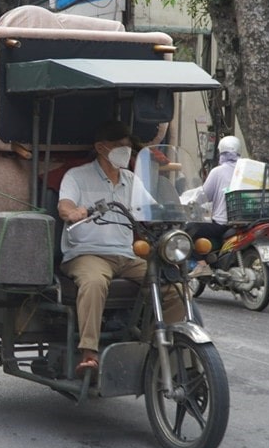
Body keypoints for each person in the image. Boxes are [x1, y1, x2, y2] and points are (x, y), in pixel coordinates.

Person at [57, 120, 185, 378]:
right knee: (94, 283)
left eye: (128, 147)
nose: (125, 152)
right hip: (87, 253)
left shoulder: (130, 179)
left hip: (127, 256)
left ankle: (156, 348)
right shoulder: (77, 176)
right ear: (101, 148)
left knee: (175, 286)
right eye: (119, 147)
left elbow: (151, 210)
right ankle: (89, 354)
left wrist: (178, 210)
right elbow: (65, 206)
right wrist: (74, 212)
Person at [187, 135, 242, 279]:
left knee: (186, 231)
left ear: (221, 152)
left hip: (223, 223)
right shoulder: (247, 169)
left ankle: (202, 264)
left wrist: (191, 203)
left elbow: (204, 196)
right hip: (248, 221)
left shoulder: (218, 171)